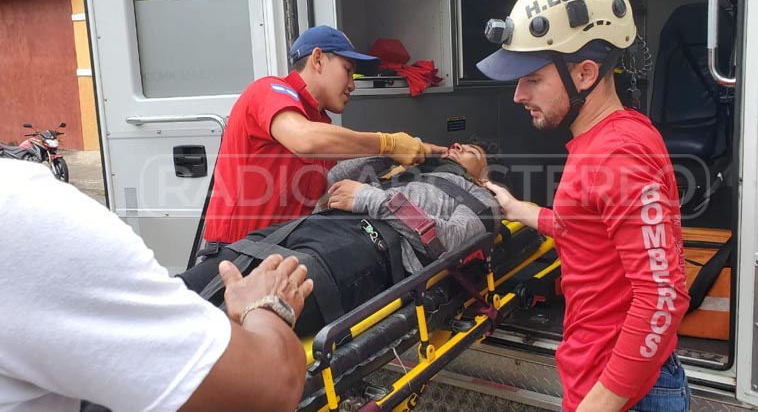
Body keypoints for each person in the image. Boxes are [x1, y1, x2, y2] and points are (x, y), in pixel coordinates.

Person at [476, 0, 691, 412]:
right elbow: (587, 226)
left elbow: (661, 298)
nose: (518, 95)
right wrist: (517, 207)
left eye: (532, 78)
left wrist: (602, 402)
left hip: (626, 394)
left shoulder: (617, 155)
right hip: (605, 379)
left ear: (586, 72)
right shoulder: (604, 139)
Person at [0, 159, 313, 412]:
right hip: (242, 249)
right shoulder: (27, 214)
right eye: (346, 74)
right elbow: (272, 389)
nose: (352, 82)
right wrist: (268, 306)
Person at [181, 138, 502, 335]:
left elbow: (446, 244)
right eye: (457, 144)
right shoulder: (409, 174)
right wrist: (392, 154)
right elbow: (334, 180)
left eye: (470, 150)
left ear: (485, 176)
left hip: (364, 249)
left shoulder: (481, 199)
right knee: (183, 291)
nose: (457, 146)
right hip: (306, 228)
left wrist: (369, 198)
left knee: (235, 321)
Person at [202, 25, 445, 252]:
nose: (352, 85)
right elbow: (304, 140)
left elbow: (318, 199)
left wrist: (387, 173)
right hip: (236, 253)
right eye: (348, 71)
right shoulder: (268, 90)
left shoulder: (320, 123)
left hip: (280, 252)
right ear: (318, 59)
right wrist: (389, 144)